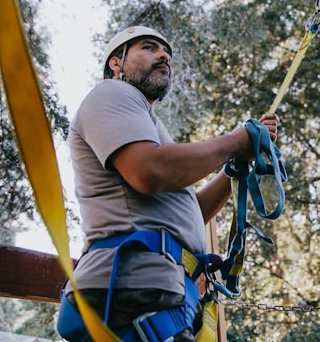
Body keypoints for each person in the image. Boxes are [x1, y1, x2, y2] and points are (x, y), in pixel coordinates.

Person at [59, 25, 279, 341]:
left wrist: (235, 166)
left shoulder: (149, 130)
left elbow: (190, 214)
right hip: (130, 289)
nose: (163, 55)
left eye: (166, 54)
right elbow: (149, 171)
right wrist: (234, 141)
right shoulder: (111, 93)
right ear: (116, 64)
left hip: (156, 293)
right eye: (148, 47)